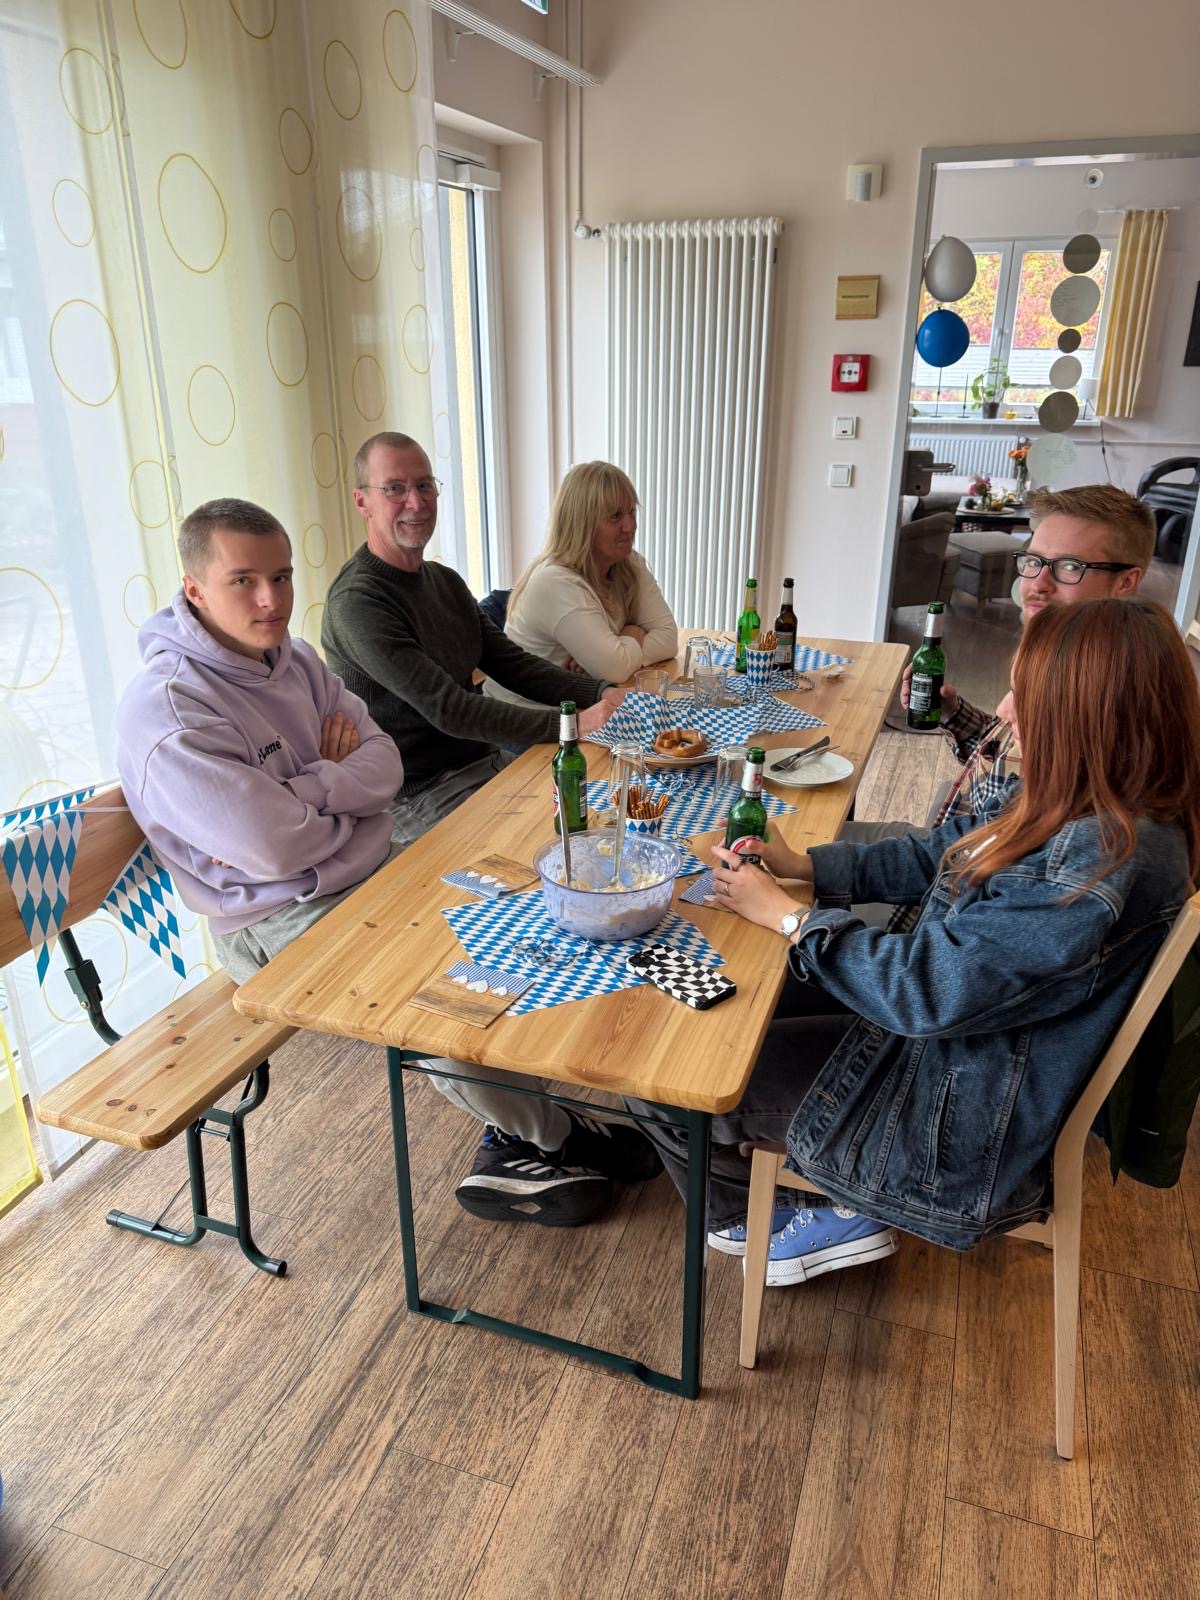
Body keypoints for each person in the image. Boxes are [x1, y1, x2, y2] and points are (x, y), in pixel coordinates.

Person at [118, 497, 656, 1229]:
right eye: (244, 581)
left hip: (367, 861)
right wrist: (330, 792)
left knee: (514, 919)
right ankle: (554, 1135)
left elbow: (383, 768)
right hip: (277, 915)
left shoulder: (295, 659)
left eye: (280, 575)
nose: (271, 599)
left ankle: (522, 1129)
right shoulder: (171, 711)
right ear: (194, 589)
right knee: (437, 996)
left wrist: (303, 791)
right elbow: (272, 847)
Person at [627, 598, 1200, 1285]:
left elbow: (928, 991)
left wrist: (790, 918)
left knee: (665, 1078)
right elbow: (944, 854)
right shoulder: (1091, 804)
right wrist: (807, 869)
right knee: (717, 995)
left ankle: (767, 1221)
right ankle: (777, 1187)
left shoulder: (1099, 857)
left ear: (1090, 719)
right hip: (950, 1056)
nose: (1008, 711)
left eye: (1026, 695)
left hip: (946, 1118)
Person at [849, 484, 1159, 928]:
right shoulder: (1050, 662)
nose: (1037, 584)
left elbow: (1029, 878)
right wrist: (958, 716)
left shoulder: (1105, 705)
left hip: (953, 910)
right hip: (948, 857)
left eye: (1069, 566)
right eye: (1034, 561)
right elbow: (1009, 777)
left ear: (1126, 580)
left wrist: (799, 921)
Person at [322, 433, 625, 849]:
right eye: (395, 488)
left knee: (599, 832)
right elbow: (450, 710)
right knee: (541, 865)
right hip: (417, 794)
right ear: (362, 502)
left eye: (424, 485)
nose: (416, 501)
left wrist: (602, 690)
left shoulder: (444, 581)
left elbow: (513, 664)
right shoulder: (357, 602)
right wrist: (573, 724)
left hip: (485, 763)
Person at [484, 461, 678, 707]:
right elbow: (615, 669)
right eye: (615, 516)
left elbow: (669, 638)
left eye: (631, 512)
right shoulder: (555, 581)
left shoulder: (628, 562)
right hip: (527, 726)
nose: (630, 526)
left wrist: (620, 647)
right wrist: (633, 635)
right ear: (582, 523)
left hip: (578, 710)